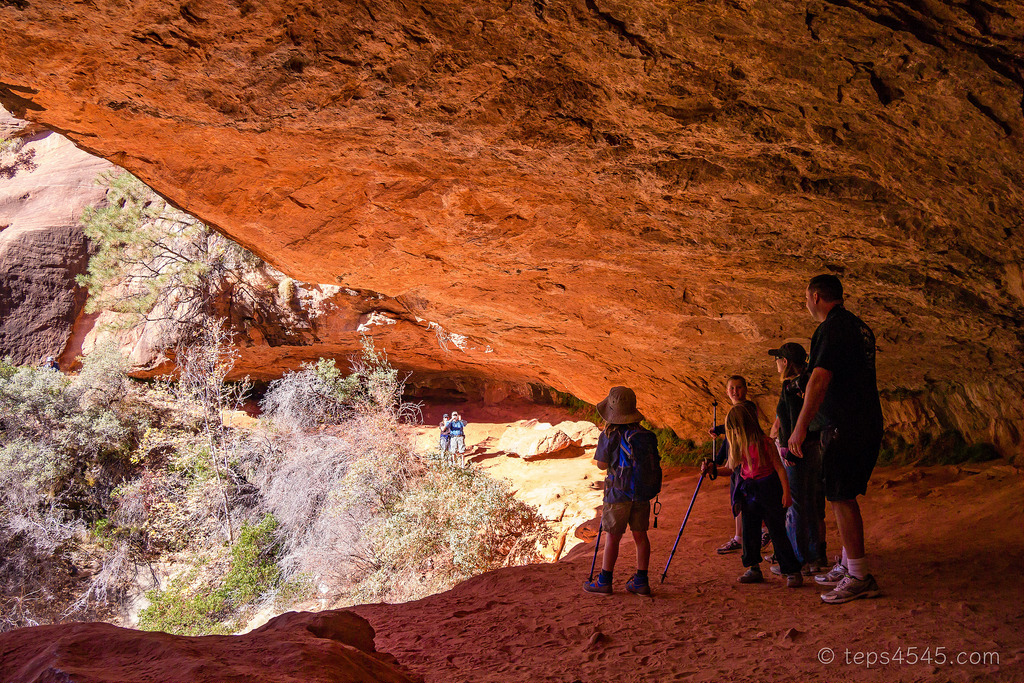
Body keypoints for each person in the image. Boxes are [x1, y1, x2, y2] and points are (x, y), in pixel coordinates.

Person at [789, 274, 883, 604]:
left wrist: (801, 427)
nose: (806, 304)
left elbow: (819, 380)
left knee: (841, 497)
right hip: (863, 420)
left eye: (806, 298)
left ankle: (859, 575)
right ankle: (847, 565)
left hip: (846, 425)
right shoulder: (857, 326)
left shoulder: (830, 328)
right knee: (842, 494)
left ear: (816, 297)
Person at [703, 402, 803, 587]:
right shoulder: (738, 445)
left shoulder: (765, 443)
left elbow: (780, 469)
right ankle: (753, 568)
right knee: (749, 530)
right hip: (749, 491)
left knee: (776, 530)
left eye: (734, 429)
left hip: (769, 489)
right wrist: (712, 470)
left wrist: (786, 493)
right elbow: (730, 469)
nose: (732, 434)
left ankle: (791, 569)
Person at [584, 386, 661, 596]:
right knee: (640, 536)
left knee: (612, 537)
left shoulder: (609, 434)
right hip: (641, 494)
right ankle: (641, 581)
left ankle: (604, 581)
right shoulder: (644, 435)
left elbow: (601, 464)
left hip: (617, 494)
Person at [767, 342, 827, 575]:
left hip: (798, 451)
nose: (776, 364)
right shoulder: (808, 383)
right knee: (812, 503)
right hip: (815, 448)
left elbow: (792, 419)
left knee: (796, 505)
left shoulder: (791, 387)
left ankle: (797, 560)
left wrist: (789, 449)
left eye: (778, 359)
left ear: (786, 362)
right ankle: (815, 558)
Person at [710, 376, 770, 554]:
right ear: (726, 391)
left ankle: (765, 531)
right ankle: (739, 537)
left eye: (739, 388)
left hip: (747, 461)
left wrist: (721, 430)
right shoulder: (734, 411)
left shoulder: (748, 407)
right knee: (737, 500)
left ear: (746, 389)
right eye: (732, 388)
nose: (735, 391)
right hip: (737, 461)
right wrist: (718, 458)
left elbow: (738, 426)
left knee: (751, 499)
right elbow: (729, 437)